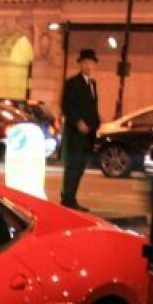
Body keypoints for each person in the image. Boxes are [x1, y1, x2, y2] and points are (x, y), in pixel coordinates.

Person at [61, 48, 102, 210]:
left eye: (91, 63)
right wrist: (78, 122)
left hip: (88, 134)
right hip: (76, 133)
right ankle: (67, 199)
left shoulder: (93, 84)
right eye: (85, 62)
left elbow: (92, 107)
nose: (88, 66)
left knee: (80, 168)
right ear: (80, 64)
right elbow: (67, 106)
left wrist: (96, 123)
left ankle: (72, 198)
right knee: (73, 166)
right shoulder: (72, 83)